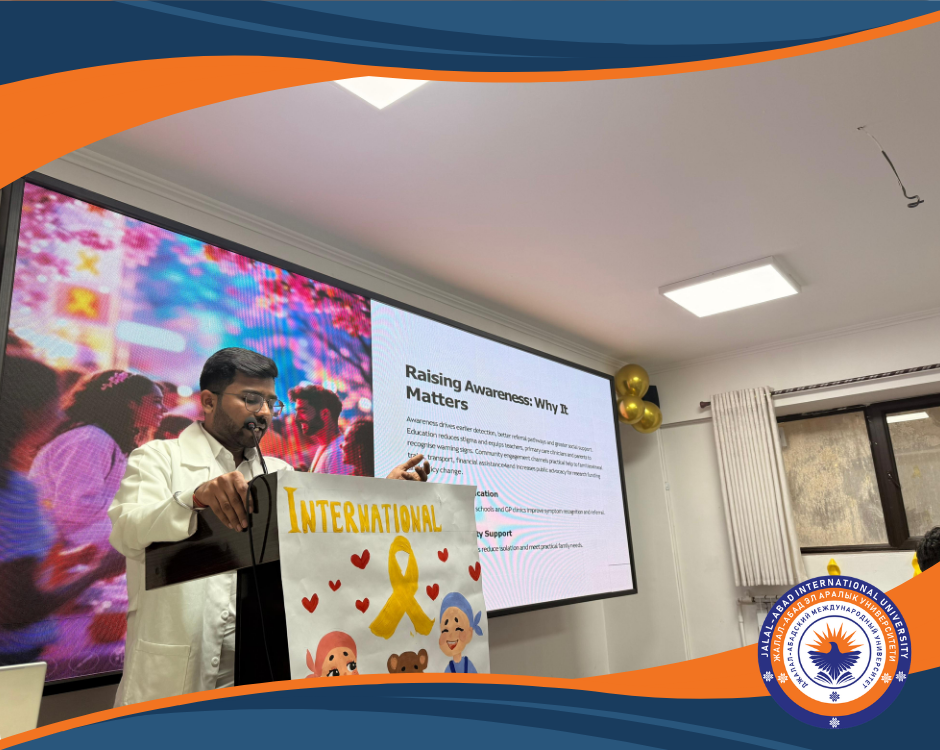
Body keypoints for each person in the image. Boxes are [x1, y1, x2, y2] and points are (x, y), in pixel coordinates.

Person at [108, 348, 430, 706]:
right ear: (209, 401)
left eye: (270, 403)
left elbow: (330, 541)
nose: (263, 412)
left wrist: (387, 496)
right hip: (175, 680)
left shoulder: (280, 473)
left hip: (261, 674)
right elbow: (126, 532)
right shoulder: (157, 459)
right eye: (250, 399)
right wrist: (194, 499)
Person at [0, 357, 124, 666]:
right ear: (29, 412)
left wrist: (64, 559)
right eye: (56, 403)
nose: (61, 413)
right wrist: (99, 571)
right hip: (13, 655)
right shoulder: (13, 489)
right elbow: (18, 610)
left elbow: (10, 567)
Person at [30, 370, 167, 561]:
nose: (164, 409)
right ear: (130, 403)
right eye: (156, 401)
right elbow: (75, 506)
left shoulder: (104, 439)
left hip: (76, 533)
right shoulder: (90, 439)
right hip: (56, 540)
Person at [288, 384, 355, 474]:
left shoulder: (336, 454)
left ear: (324, 414)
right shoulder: (326, 446)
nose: (298, 418)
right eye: (297, 412)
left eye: (303, 411)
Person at [438, 592, 483, 674]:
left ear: (469, 633)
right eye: (445, 630)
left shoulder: (469, 665)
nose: (451, 635)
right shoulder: (448, 669)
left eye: (457, 629)